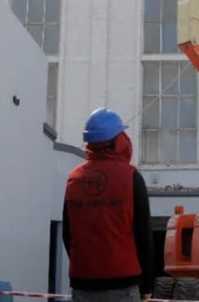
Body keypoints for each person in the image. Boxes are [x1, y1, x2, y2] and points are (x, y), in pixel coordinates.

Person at [63, 108, 153, 302]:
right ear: (117, 140)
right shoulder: (131, 178)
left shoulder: (73, 179)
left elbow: (67, 234)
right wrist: (146, 285)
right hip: (123, 284)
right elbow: (143, 235)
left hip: (82, 284)